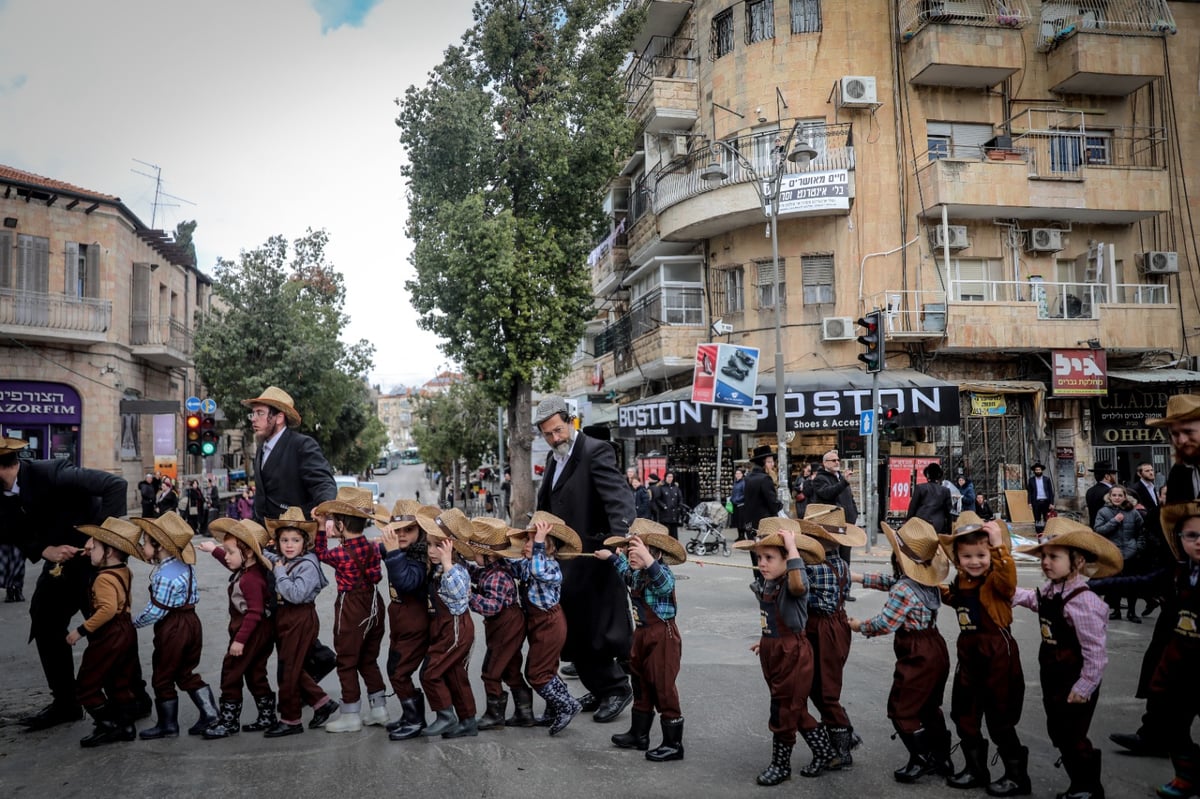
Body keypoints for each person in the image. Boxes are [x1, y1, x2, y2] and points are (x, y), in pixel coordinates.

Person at [0, 437, 143, 732]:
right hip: (59, 563)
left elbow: (115, 486)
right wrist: (44, 550)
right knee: (43, 620)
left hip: (96, 561)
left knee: (108, 628)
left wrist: (103, 541)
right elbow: (10, 527)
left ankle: (133, 700)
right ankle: (66, 703)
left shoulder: (52, 472)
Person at [534, 396, 635, 724]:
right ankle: (601, 686)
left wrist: (620, 538)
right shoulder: (554, 459)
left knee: (596, 632)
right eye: (548, 434)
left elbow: (619, 498)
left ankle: (617, 688)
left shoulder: (594, 450)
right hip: (566, 560)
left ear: (570, 421)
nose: (555, 438)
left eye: (558, 430)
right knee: (573, 632)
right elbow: (549, 501)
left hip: (594, 558)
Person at [1111, 396, 1200, 758]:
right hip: (1184, 579)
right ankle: (1157, 733)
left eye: (1188, 431)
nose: (1180, 440)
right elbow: (1170, 530)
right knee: (1164, 656)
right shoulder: (1180, 473)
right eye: (1174, 434)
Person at [1011, 518, 1122, 799]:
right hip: (1053, 676)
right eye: (1044, 556)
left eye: (1054, 557)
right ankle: (1078, 784)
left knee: (1073, 734)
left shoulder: (1083, 602)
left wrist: (1084, 687)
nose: (1046, 562)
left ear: (1078, 562)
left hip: (1075, 681)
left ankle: (1087, 788)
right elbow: (1036, 601)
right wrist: (1011, 595)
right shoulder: (1053, 590)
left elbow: (1096, 653)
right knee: (1059, 731)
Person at [848, 517, 954, 785]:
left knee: (901, 708)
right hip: (936, 648)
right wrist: (860, 577)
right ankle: (942, 758)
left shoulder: (904, 589)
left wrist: (860, 626)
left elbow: (886, 622)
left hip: (917, 652)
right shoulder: (924, 582)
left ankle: (921, 760)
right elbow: (892, 582)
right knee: (930, 706)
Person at [937, 513, 1030, 795]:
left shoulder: (996, 579)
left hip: (998, 655)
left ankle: (1017, 777)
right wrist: (934, 585)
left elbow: (1008, 581)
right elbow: (954, 599)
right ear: (958, 559)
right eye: (967, 556)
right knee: (964, 713)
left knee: (1000, 717)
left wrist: (1000, 546)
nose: (975, 561)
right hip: (969, 655)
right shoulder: (961, 580)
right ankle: (975, 769)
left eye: (981, 555)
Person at [733, 518, 826, 786]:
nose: (762, 563)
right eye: (759, 557)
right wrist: (765, 640)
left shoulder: (793, 582)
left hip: (792, 654)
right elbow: (772, 617)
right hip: (773, 650)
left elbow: (798, 585)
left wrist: (792, 547)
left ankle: (781, 765)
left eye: (770, 557)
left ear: (788, 560)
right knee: (794, 709)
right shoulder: (769, 583)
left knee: (784, 711)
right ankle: (824, 751)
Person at [598, 519, 687, 762]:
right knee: (640, 682)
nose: (630, 555)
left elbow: (664, 584)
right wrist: (612, 558)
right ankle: (639, 734)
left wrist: (647, 559)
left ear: (655, 554)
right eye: (629, 550)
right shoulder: (636, 573)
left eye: (635, 551)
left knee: (663, 687)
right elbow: (626, 574)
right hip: (642, 634)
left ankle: (673, 743)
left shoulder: (662, 573)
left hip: (663, 637)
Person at [1129, 501, 1200, 798]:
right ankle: (1187, 776)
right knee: (1173, 726)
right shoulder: (1180, 572)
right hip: (1181, 666)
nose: (1199, 541)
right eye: (1192, 535)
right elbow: (1142, 581)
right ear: (1179, 540)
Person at [130, 511, 218, 739]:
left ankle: (168, 725)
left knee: (163, 675)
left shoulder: (164, 575)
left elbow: (157, 609)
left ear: (158, 546)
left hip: (174, 627)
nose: (143, 547)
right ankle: (210, 714)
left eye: (146, 543)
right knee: (186, 671)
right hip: (192, 622)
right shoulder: (184, 566)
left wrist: (134, 623)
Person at [796, 504, 867, 775]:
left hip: (824, 628)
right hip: (833, 626)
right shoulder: (839, 563)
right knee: (819, 686)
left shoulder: (817, 567)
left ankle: (841, 749)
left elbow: (798, 589)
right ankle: (844, 735)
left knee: (825, 691)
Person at [312, 486, 389, 733]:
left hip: (351, 606)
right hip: (375, 603)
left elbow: (320, 552)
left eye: (335, 521)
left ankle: (351, 714)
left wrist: (321, 527)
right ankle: (379, 709)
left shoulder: (341, 553)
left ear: (342, 525)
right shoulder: (373, 548)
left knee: (346, 660)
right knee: (369, 659)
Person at [502, 511, 584, 736]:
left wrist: (537, 544)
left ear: (550, 548)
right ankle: (553, 708)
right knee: (545, 668)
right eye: (528, 540)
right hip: (538, 624)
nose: (528, 544)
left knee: (537, 674)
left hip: (550, 624)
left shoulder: (550, 568)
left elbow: (538, 571)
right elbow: (513, 568)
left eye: (534, 540)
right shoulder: (530, 563)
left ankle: (567, 704)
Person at [67, 517, 144, 748]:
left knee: (87, 683)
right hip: (127, 630)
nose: (89, 549)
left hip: (110, 634)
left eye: (95, 546)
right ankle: (127, 725)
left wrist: (81, 630)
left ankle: (108, 725)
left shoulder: (103, 579)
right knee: (120, 680)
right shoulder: (124, 570)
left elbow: (108, 609)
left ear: (109, 551)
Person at [261, 507, 338, 737]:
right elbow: (272, 557)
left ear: (305, 542)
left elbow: (295, 594)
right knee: (292, 667)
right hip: (287, 617)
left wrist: (280, 573)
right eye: (284, 540)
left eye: (295, 540)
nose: (289, 544)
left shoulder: (308, 564)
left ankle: (291, 719)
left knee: (289, 670)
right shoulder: (283, 558)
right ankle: (322, 702)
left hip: (300, 616)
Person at [198, 519, 275, 739]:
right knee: (255, 673)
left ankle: (229, 722)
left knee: (231, 673)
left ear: (249, 552)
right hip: (259, 632)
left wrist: (239, 641)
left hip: (250, 633)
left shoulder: (251, 579)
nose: (227, 556)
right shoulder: (250, 568)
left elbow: (254, 612)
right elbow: (232, 561)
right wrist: (215, 551)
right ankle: (267, 717)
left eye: (230, 551)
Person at [415, 509, 479, 738]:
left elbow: (461, 593)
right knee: (454, 674)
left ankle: (445, 715)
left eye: (438, 546)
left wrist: (447, 562)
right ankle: (468, 721)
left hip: (455, 629)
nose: (432, 551)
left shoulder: (457, 570)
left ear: (451, 547)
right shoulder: (438, 566)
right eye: (429, 545)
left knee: (430, 672)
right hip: (447, 628)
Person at [467, 516, 532, 732]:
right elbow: (478, 573)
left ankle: (495, 715)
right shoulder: (491, 568)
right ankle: (525, 712)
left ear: (487, 554)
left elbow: (492, 606)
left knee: (491, 671)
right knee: (511, 668)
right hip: (505, 624)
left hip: (506, 625)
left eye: (475, 552)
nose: (473, 556)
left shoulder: (497, 576)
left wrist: (469, 597)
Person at [380, 499, 436, 741]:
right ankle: (409, 714)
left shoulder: (420, 556)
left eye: (408, 530)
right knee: (394, 667)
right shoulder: (400, 550)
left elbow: (407, 582)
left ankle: (415, 720)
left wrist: (392, 551)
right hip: (400, 622)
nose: (401, 535)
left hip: (415, 624)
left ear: (420, 531)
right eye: (397, 529)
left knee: (399, 671)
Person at [243, 386, 337, 523]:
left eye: (260, 413)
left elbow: (322, 483)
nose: (254, 419)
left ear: (279, 418)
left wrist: (328, 515)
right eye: (253, 413)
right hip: (265, 533)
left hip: (295, 534)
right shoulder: (261, 448)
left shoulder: (302, 445)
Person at [1092, 484, 1145, 622]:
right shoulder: (1103, 512)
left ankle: (1132, 612)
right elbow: (1098, 530)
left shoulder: (1133, 512)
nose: (1117, 498)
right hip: (1112, 553)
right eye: (1114, 495)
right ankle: (1116, 611)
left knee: (1132, 584)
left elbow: (1141, 531)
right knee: (1114, 584)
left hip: (1130, 552)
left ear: (1125, 497)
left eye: (1120, 495)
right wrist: (1114, 521)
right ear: (1109, 496)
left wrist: (1138, 547)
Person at [811, 450, 859, 593]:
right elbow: (827, 493)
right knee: (833, 557)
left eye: (838, 460)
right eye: (833, 460)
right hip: (832, 526)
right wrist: (844, 482)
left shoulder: (840, 478)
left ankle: (844, 590)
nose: (837, 462)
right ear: (825, 463)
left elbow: (849, 498)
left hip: (847, 523)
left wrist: (854, 513)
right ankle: (833, 589)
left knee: (845, 558)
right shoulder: (820, 478)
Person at [740, 445, 785, 577]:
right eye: (770, 461)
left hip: (751, 524)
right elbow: (772, 504)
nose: (772, 464)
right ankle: (767, 587)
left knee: (757, 557)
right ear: (763, 462)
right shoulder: (765, 479)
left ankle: (759, 583)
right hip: (765, 525)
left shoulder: (748, 477)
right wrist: (780, 505)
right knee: (769, 556)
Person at [906, 462, 953, 535]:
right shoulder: (945, 490)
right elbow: (949, 511)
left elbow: (913, 507)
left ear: (927, 475)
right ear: (939, 476)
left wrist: (907, 524)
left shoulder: (920, 488)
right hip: (938, 526)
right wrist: (950, 529)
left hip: (921, 523)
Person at [1026, 462, 1055, 537]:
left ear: (1042, 470)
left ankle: (1047, 532)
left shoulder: (1047, 479)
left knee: (1047, 518)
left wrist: (1051, 503)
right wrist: (1029, 503)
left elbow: (1050, 491)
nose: (1038, 471)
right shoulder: (1031, 480)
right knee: (1037, 518)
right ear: (1034, 471)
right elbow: (1030, 492)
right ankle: (1039, 533)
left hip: (1046, 501)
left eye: (1039, 470)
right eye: (1036, 470)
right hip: (1036, 502)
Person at [1085, 462, 1117, 529]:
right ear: (1107, 476)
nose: (1115, 476)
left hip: (1094, 527)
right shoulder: (1110, 491)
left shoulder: (1090, 491)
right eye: (1113, 474)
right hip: (1107, 528)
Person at [654, 472, 684, 541]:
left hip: (674, 515)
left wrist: (680, 507)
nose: (670, 478)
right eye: (668, 477)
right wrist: (664, 506)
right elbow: (657, 499)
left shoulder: (676, 488)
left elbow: (680, 498)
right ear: (665, 477)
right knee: (665, 534)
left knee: (674, 535)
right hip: (665, 515)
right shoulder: (661, 488)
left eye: (671, 477)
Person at [729, 467, 746, 532]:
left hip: (741, 505)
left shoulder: (743, 483)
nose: (737, 475)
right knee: (737, 521)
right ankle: (739, 536)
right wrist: (731, 499)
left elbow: (745, 494)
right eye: (736, 474)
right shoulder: (735, 483)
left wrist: (737, 499)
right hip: (735, 504)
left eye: (739, 473)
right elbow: (734, 493)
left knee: (741, 521)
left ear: (742, 475)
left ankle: (742, 536)